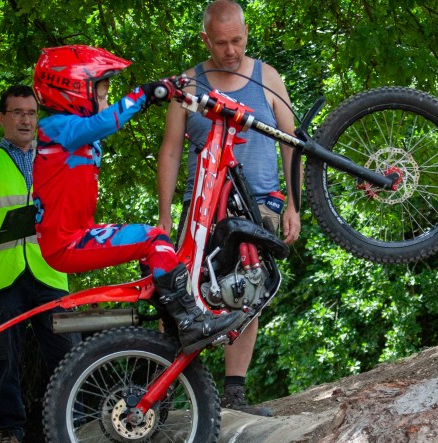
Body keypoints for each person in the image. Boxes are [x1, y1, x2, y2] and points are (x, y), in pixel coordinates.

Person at [31, 45, 241, 356]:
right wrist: (145, 93)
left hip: (76, 236)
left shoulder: (69, 132)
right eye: (102, 94)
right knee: (154, 240)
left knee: (153, 248)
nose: (106, 101)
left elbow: (103, 123)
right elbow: (105, 122)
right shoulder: (57, 129)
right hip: (67, 244)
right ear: (72, 92)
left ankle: (170, 314)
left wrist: (170, 90)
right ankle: (190, 322)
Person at [157, 0, 300, 417]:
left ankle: (235, 393)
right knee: (183, 295)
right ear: (206, 40)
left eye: (237, 40)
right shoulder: (188, 84)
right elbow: (170, 151)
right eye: (221, 43)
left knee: (248, 293)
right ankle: (164, 394)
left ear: (246, 33)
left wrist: (294, 205)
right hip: (202, 209)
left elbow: (293, 145)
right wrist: (165, 215)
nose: (231, 50)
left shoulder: (267, 77)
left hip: (260, 205)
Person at [0, 84, 77, 443]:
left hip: (50, 271)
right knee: (4, 357)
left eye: (31, 113)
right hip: (2, 276)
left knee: (68, 353)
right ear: (1, 117)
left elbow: (91, 160)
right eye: (17, 113)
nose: (26, 120)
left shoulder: (55, 157)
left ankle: (76, 429)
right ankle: (9, 432)